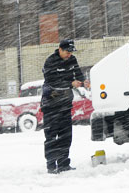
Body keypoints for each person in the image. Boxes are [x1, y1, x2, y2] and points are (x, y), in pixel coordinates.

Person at [41, 39, 84, 174]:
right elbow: (52, 81)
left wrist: (84, 81)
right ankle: (51, 166)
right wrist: (71, 83)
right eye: (67, 52)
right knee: (51, 136)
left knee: (66, 136)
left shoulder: (72, 60)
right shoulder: (50, 61)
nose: (69, 55)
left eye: (71, 52)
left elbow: (79, 74)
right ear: (60, 49)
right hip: (51, 105)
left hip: (65, 104)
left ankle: (64, 163)